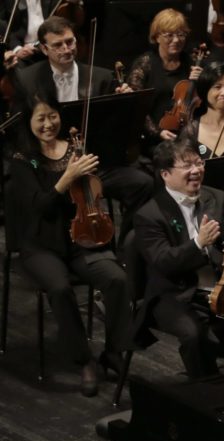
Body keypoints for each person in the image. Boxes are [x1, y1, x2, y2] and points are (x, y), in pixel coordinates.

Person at [7, 93, 133, 396]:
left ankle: (113, 354)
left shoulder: (76, 150)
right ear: (29, 121)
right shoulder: (23, 159)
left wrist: (89, 176)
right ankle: (84, 360)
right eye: (41, 118)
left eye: (53, 116)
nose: (49, 124)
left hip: (80, 238)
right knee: (60, 288)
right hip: (39, 245)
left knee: (117, 279)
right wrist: (67, 177)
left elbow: (93, 191)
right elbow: (40, 207)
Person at [132, 138, 224, 378]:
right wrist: (198, 244)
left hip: (221, 287)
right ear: (165, 174)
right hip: (175, 293)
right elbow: (164, 262)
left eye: (199, 163)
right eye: (187, 166)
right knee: (193, 334)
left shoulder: (217, 198)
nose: (196, 170)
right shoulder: (149, 214)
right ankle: (206, 391)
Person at [14, 16, 153, 243]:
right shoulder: (27, 79)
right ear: (43, 49)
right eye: (58, 45)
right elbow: (22, 129)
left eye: (70, 42)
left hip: (93, 164)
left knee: (142, 183)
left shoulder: (101, 77)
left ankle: (128, 245)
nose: (66, 49)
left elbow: (119, 128)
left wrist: (125, 102)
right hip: (53, 169)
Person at [125, 8, 205, 148]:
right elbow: (134, 106)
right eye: (169, 35)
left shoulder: (191, 62)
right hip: (152, 139)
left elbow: (202, 103)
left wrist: (201, 81)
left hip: (187, 135)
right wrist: (157, 132)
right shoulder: (145, 64)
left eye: (181, 34)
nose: (176, 40)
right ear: (156, 37)